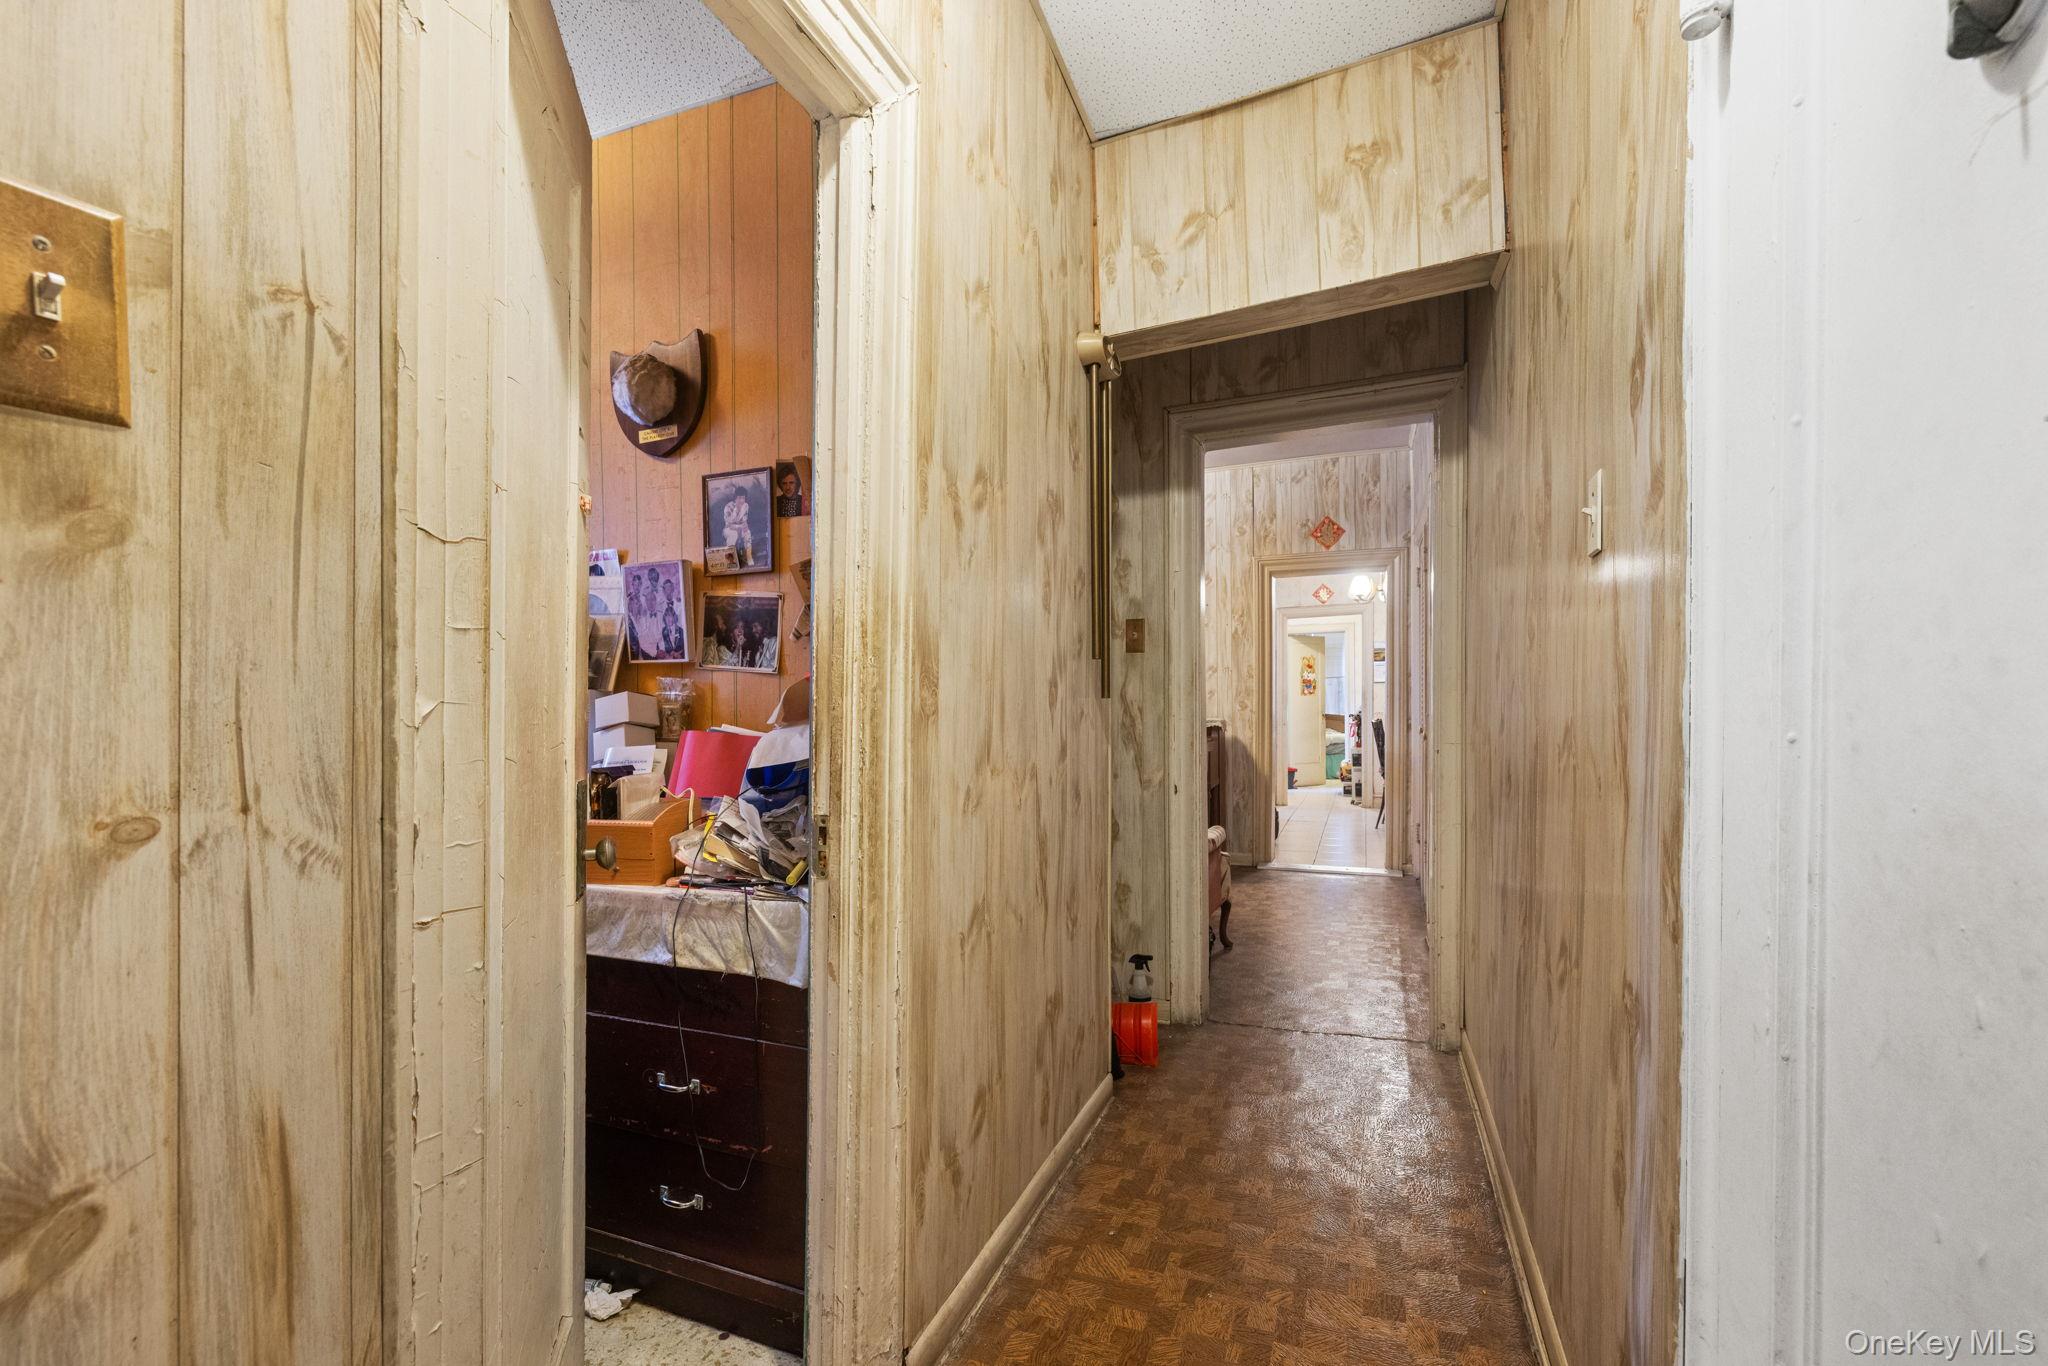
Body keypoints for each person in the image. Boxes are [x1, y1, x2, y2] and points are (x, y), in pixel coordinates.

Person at [721, 488, 754, 566]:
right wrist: (736, 510)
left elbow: (744, 520)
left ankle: (749, 557)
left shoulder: (746, 506)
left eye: (743, 498)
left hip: (740, 527)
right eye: (739, 498)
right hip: (728, 529)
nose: (741, 500)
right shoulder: (728, 507)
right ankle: (730, 561)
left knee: (747, 533)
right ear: (735, 498)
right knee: (733, 535)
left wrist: (745, 526)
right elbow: (729, 524)